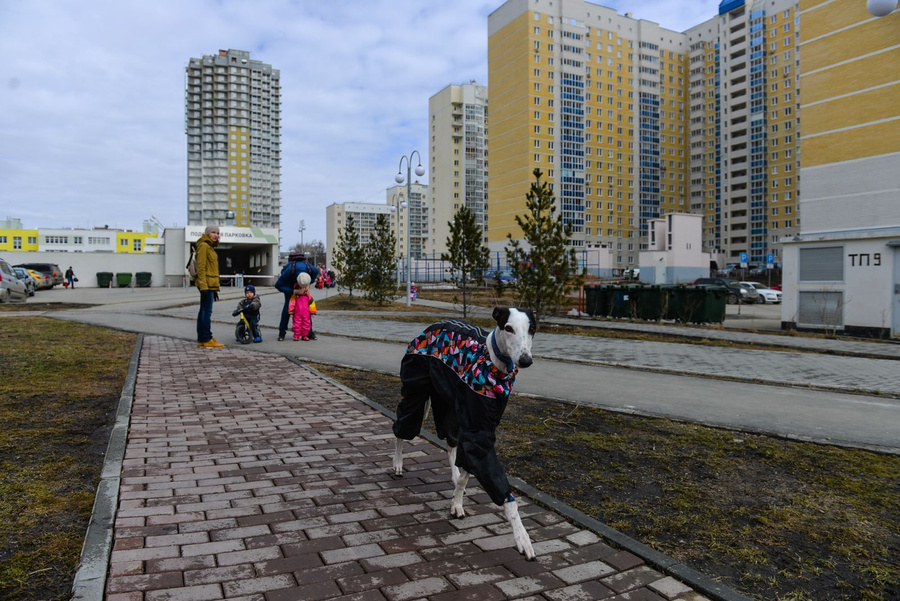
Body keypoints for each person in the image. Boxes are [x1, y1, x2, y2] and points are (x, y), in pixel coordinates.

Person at [274, 251, 319, 341]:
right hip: (290, 290)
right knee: (288, 308)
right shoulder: (289, 270)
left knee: (305, 309)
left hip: (302, 292)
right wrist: (294, 291)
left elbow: (315, 275)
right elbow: (278, 285)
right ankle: (282, 332)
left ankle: (308, 332)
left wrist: (308, 285)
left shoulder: (310, 268)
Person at [195, 225, 223, 348]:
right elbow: (200, 268)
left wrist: (214, 288)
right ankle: (207, 338)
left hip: (210, 285)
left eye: (217, 233)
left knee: (203, 311)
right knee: (207, 312)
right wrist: (204, 286)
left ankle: (202, 339)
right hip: (206, 285)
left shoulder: (210, 247)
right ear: (207, 234)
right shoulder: (204, 246)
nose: (216, 235)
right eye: (213, 232)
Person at [288, 272, 317, 341]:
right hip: (297, 313)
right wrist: (291, 312)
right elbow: (292, 303)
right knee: (296, 324)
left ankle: (305, 335)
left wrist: (313, 312)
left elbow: (312, 303)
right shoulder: (295, 296)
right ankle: (296, 335)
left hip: (306, 313)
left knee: (306, 324)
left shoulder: (308, 296)